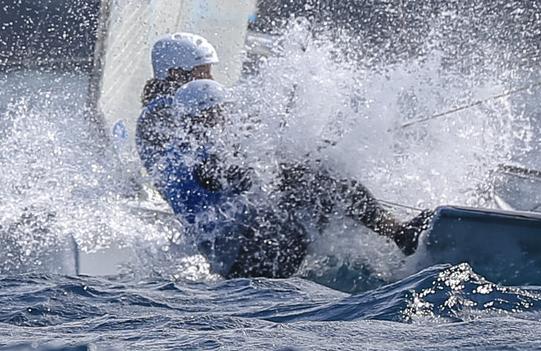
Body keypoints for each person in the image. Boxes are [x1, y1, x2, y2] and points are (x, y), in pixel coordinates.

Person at [138, 77, 430, 279]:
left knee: (322, 178)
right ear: (203, 116)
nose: (230, 116)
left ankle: (393, 242)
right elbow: (223, 175)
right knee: (322, 180)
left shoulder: (191, 145)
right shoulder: (197, 156)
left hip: (246, 252)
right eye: (222, 112)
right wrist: (283, 167)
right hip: (246, 261)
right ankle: (399, 235)